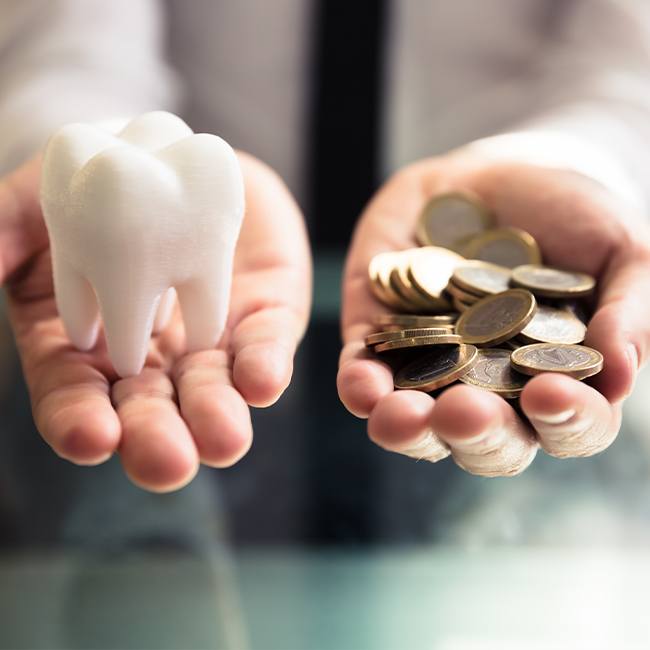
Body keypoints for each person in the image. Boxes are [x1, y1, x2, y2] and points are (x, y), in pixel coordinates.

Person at [0, 0, 649, 492]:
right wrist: (85, 159)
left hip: (484, 180)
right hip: (196, 197)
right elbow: (63, 49)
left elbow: (629, 65)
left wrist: (569, 164)